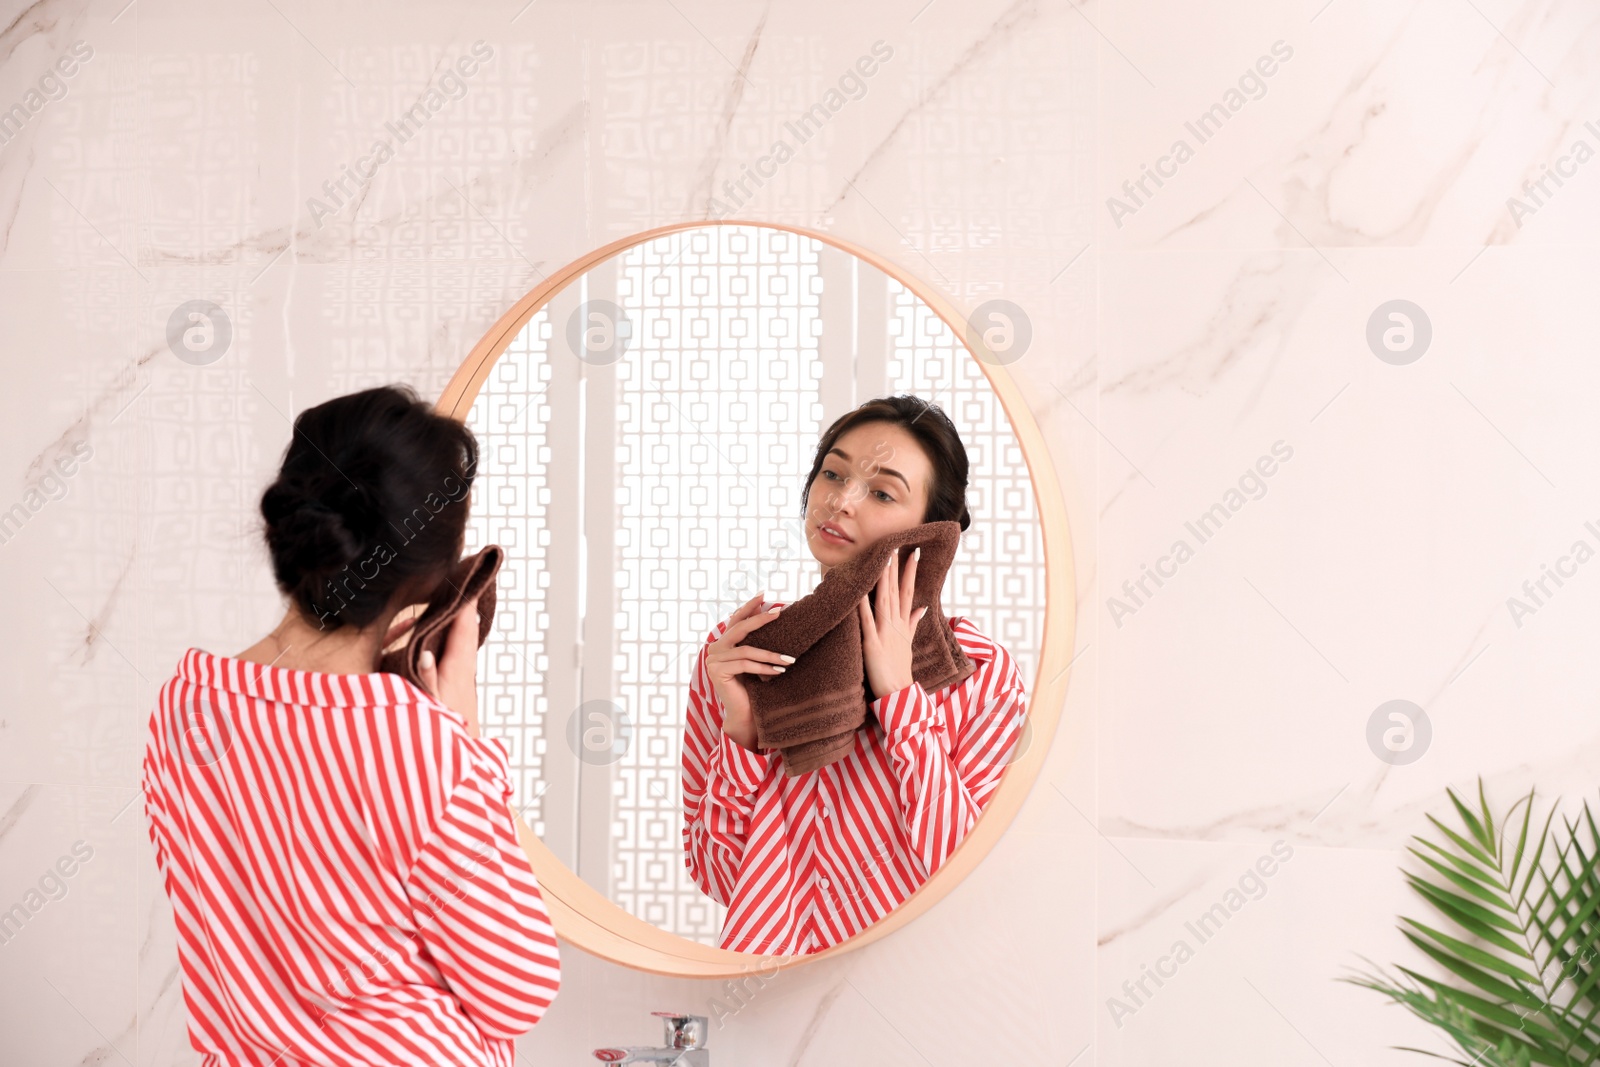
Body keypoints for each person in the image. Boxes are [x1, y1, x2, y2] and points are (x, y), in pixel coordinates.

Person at [141, 384, 559, 1067]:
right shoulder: (423, 746)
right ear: (433, 583)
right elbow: (520, 988)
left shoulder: (184, 705)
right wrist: (468, 743)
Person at [681, 395, 1030, 955]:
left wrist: (900, 699)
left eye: (882, 491)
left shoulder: (978, 673)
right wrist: (744, 730)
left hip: (916, 992)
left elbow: (965, 876)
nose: (840, 501)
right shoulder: (743, 652)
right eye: (833, 473)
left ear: (932, 529)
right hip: (768, 997)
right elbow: (718, 876)